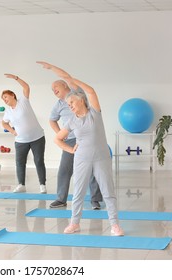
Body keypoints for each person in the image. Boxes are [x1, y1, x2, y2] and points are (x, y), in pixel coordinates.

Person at [37, 61, 124, 236]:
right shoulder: (71, 121)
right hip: (82, 158)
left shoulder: (95, 113)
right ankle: (74, 223)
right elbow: (57, 138)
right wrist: (70, 150)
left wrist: (71, 78)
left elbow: (91, 91)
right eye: (68, 104)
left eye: (72, 103)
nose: (70, 106)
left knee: (108, 192)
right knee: (78, 193)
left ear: (81, 100)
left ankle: (115, 225)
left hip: (101, 157)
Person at [48, 79, 103, 209]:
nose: (54, 90)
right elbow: (52, 120)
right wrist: (62, 134)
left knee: (91, 170)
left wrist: (52, 68)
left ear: (64, 85)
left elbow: (68, 77)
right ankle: (61, 199)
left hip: (86, 138)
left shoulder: (77, 94)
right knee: (64, 170)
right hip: (70, 140)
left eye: (56, 86)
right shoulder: (58, 105)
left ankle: (95, 199)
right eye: (52, 89)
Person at [1, 74, 47, 194]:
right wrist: (12, 131)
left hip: (37, 137)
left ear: (12, 95)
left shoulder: (23, 101)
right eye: (3, 99)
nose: (4, 100)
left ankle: (42, 185)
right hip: (21, 141)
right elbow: (4, 123)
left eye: (5, 97)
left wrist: (16, 78)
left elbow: (26, 87)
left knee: (39, 161)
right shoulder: (8, 112)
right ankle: (21, 185)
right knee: (20, 163)